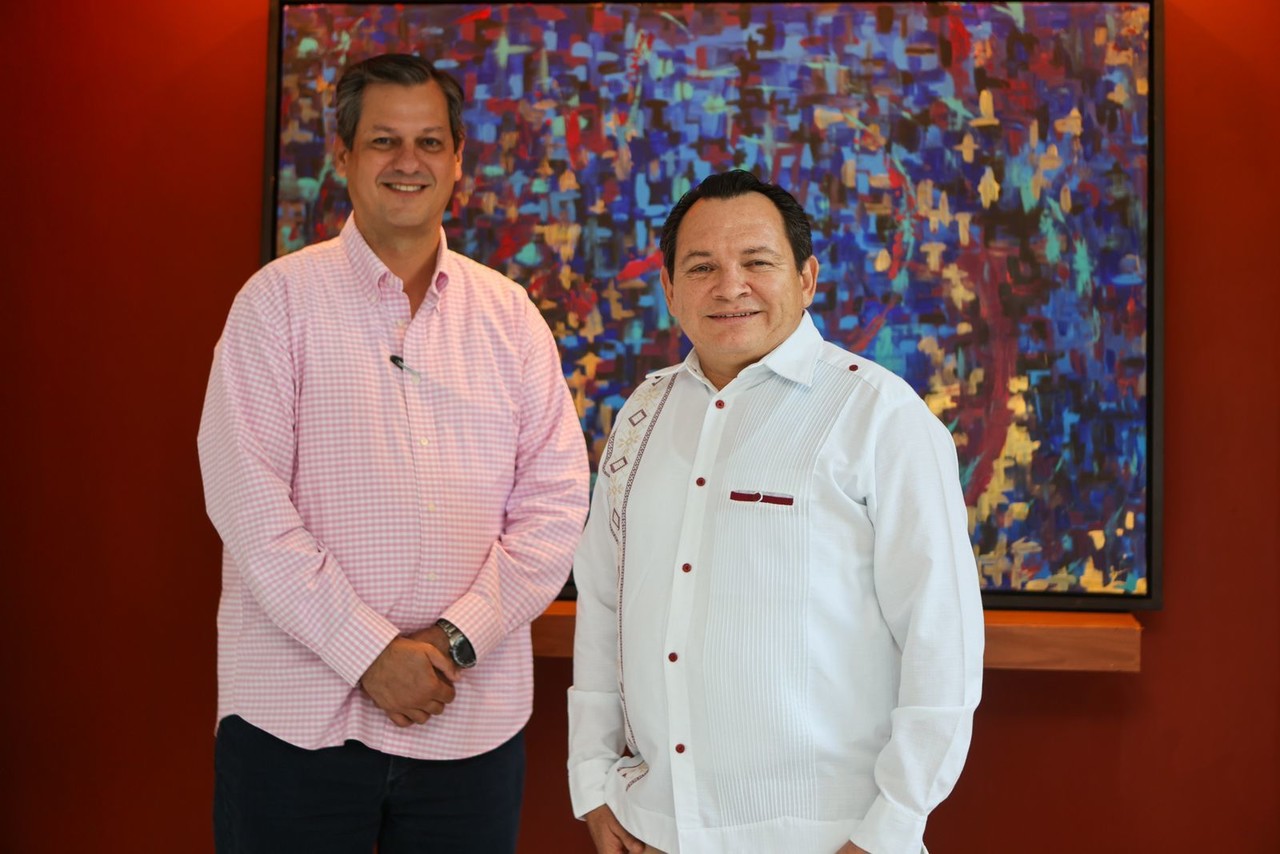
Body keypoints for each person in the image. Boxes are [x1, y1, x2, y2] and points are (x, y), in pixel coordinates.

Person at [199, 53, 588, 853]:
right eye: (383, 141)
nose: (407, 162)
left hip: (467, 724)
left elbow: (554, 506)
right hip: (294, 722)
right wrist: (369, 652)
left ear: (456, 163)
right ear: (343, 157)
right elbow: (247, 504)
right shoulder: (273, 304)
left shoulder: (510, 316)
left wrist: (452, 643)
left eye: (428, 142)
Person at [567, 170, 984, 854]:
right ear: (670, 288)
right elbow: (605, 603)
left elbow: (942, 642)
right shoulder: (643, 414)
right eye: (701, 267)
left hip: (829, 838)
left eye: (758, 262)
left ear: (807, 277)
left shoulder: (880, 416)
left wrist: (889, 830)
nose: (730, 286)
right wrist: (592, 777)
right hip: (653, 829)